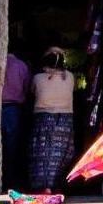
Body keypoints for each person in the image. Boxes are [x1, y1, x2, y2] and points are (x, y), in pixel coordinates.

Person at [28, 49, 76, 191]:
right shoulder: (69, 77)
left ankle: (44, 187)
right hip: (65, 120)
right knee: (60, 154)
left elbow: (32, 92)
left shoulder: (38, 78)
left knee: (42, 155)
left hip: (43, 119)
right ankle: (56, 185)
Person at [1, 45, 30, 189]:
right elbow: (27, 88)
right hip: (13, 109)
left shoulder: (0, 64)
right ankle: (9, 180)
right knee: (11, 146)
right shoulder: (22, 66)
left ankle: (0, 179)